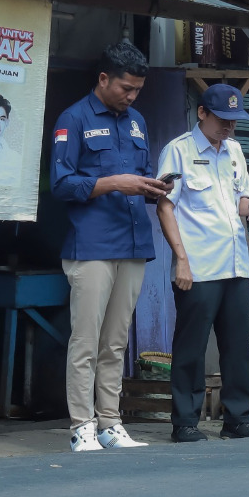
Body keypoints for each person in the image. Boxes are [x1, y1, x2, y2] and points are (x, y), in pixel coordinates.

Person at [50, 41, 172, 452]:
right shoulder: (74, 119)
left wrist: (153, 187)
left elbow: (142, 174)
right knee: (86, 340)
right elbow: (61, 184)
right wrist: (114, 183)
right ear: (103, 79)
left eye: (138, 89)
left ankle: (110, 423)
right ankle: (81, 425)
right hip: (92, 245)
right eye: (126, 88)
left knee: (115, 342)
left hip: (134, 242)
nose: (133, 96)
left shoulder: (136, 121)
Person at [155, 84, 249, 443]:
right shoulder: (178, 151)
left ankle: (238, 417)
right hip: (199, 267)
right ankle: (185, 422)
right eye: (223, 120)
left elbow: (241, 202)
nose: (230, 128)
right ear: (202, 113)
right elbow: (165, 206)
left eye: (235, 121)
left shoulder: (234, 151)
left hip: (234, 264)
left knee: (237, 345)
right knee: (191, 346)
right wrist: (181, 261)